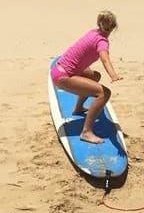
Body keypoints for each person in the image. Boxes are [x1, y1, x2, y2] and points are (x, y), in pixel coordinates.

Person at [50, 10, 123, 144]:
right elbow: (105, 59)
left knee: (95, 76)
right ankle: (86, 132)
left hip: (58, 69)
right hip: (63, 77)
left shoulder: (93, 32)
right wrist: (113, 75)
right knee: (104, 93)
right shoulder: (102, 42)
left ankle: (78, 108)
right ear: (113, 27)